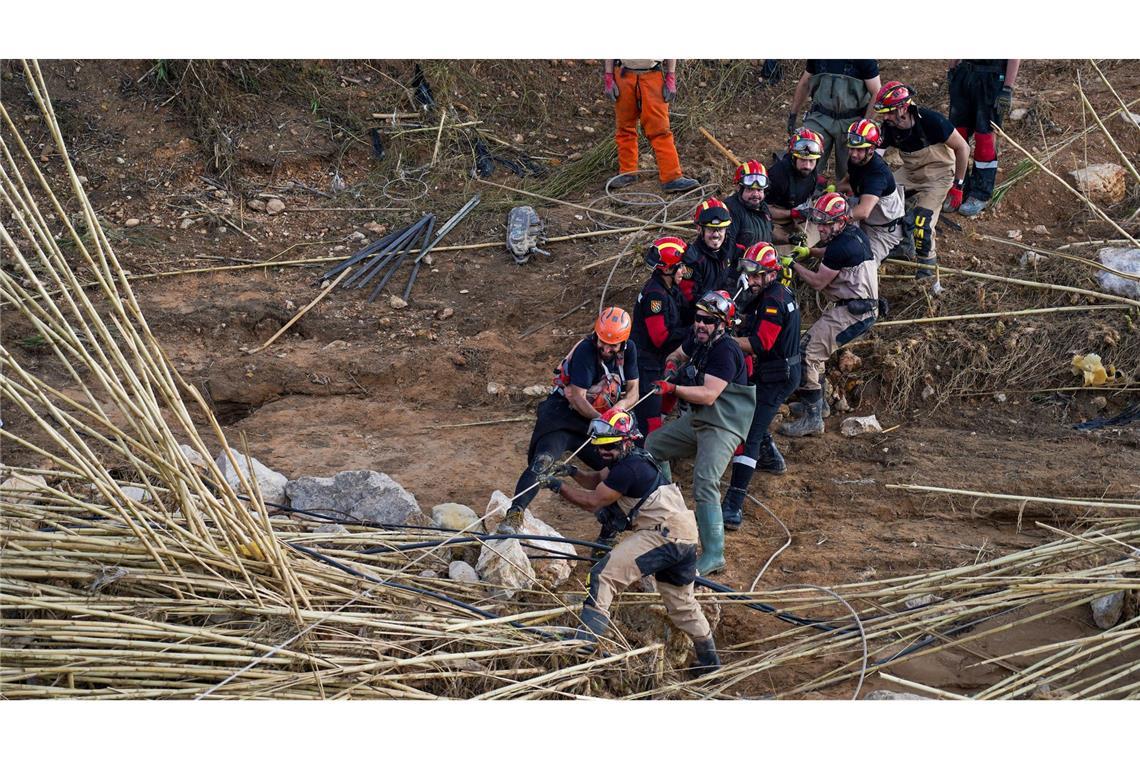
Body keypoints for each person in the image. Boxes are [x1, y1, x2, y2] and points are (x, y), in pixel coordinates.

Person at [536, 409, 720, 676]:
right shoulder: (632, 459)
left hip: (662, 535)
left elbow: (593, 501)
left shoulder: (628, 468)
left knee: (603, 576)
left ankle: (585, 643)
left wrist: (557, 486)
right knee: (682, 603)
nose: (603, 453)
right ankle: (709, 661)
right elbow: (597, 480)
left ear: (625, 441)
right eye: (600, 448)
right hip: (685, 536)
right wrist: (571, 471)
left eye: (608, 447)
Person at [645, 290, 755, 575]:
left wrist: (673, 388)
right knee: (653, 447)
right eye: (698, 318)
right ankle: (670, 513)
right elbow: (677, 354)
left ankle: (714, 553)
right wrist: (671, 366)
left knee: (705, 481)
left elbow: (708, 394)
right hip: (699, 419)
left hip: (724, 425)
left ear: (723, 324)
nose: (700, 324)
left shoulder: (726, 350)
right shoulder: (699, 339)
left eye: (708, 320)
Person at [501, 307, 640, 532]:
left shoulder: (629, 350)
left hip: (599, 421)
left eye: (612, 346)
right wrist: (602, 421)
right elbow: (577, 397)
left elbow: (634, 391)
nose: (605, 349)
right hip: (564, 416)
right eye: (602, 342)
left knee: (618, 469)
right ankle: (515, 513)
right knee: (543, 461)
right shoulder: (586, 350)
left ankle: (608, 534)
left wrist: (616, 413)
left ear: (623, 343)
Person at [780, 194, 877, 438]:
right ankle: (819, 405)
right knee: (816, 350)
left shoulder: (842, 245)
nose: (820, 228)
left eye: (826, 224)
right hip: (856, 306)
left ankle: (813, 418)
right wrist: (810, 252)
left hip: (854, 312)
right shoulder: (850, 234)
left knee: (807, 353)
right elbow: (829, 253)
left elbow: (817, 282)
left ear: (841, 221)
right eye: (819, 223)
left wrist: (792, 265)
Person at [721, 243, 801, 531]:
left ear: (771, 274)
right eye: (748, 274)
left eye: (756, 275)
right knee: (755, 416)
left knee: (749, 434)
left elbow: (759, 343)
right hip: (774, 370)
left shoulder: (772, 301)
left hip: (778, 374)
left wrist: (723, 340)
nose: (750, 280)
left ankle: (733, 504)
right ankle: (771, 459)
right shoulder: (771, 294)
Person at [874, 81, 971, 293]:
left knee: (922, 222)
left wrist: (959, 185)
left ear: (902, 108)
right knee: (878, 198)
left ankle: (926, 270)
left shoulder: (931, 120)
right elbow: (875, 157)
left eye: (888, 112)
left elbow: (963, 147)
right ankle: (901, 245)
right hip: (911, 171)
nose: (885, 118)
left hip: (940, 175)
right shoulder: (889, 127)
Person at [630, 236, 696, 438]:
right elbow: (660, 338)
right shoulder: (655, 296)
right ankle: (647, 456)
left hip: (660, 361)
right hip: (647, 364)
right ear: (668, 269)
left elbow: (685, 312)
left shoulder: (670, 287)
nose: (684, 271)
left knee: (671, 392)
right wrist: (693, 332)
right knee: (650, 420)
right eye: (681, 267)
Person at [603, 59, 699, 193]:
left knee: (660, 130)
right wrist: (609, 76)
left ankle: (671, 177)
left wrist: (671, 76)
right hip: (624, 76)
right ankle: (627, 173)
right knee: (625, 128)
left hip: (652, 76)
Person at [946, 59, 1021, 217]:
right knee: (957, 135)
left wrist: (1007, 87)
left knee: (984, 139)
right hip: (964, 74)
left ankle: (980, 194)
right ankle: (958, 188)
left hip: (991, 78)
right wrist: (952, 69)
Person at [788, 60, 882, 181]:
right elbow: (805, 83)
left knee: (850, 170)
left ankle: (845, 196)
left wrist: (864, 125)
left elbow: (877, 92)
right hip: (820, 117)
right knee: (804, 155)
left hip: (852, 121)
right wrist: (793, 114)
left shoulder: (864, 59)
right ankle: (802, 194)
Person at [839, 119, 905, 264]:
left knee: (863, 265)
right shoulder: (856, 161)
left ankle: (897, 248)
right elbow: (848, 180)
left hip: (883, 231)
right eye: (851, 148)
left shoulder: (877, 174)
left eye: (859, 149)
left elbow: (863, 211)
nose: (854, 154)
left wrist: (836, 220)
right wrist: (835, 192)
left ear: (871, 149)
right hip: (864, 220)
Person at [680, 198, 735, 312]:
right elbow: (688, 298)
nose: (716, 235)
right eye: (711, 229)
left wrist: (746, 271)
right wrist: (717, 304)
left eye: (720, 229)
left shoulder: (728, 246)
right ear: (699, 229)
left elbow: (742, 253)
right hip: (699, 318)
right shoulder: (692, 260)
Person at [767, 128, 827, 231]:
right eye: (803, 160)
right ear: (793, 157)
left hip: (801, 210)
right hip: (777, 218)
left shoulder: (812, 170)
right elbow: (764, 209)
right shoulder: (778, 176)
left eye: (811, 161)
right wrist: (794, 214)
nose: (807, 166)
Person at [723, 160, 777, 265]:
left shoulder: (762, 206)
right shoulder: (730, 210)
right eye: (750, 189)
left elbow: (768, 233)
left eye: (760, 190)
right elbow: (726, 250)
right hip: (740, 269)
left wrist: (788, 238)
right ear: (739, 188)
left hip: (761, 267)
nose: (756, 194)